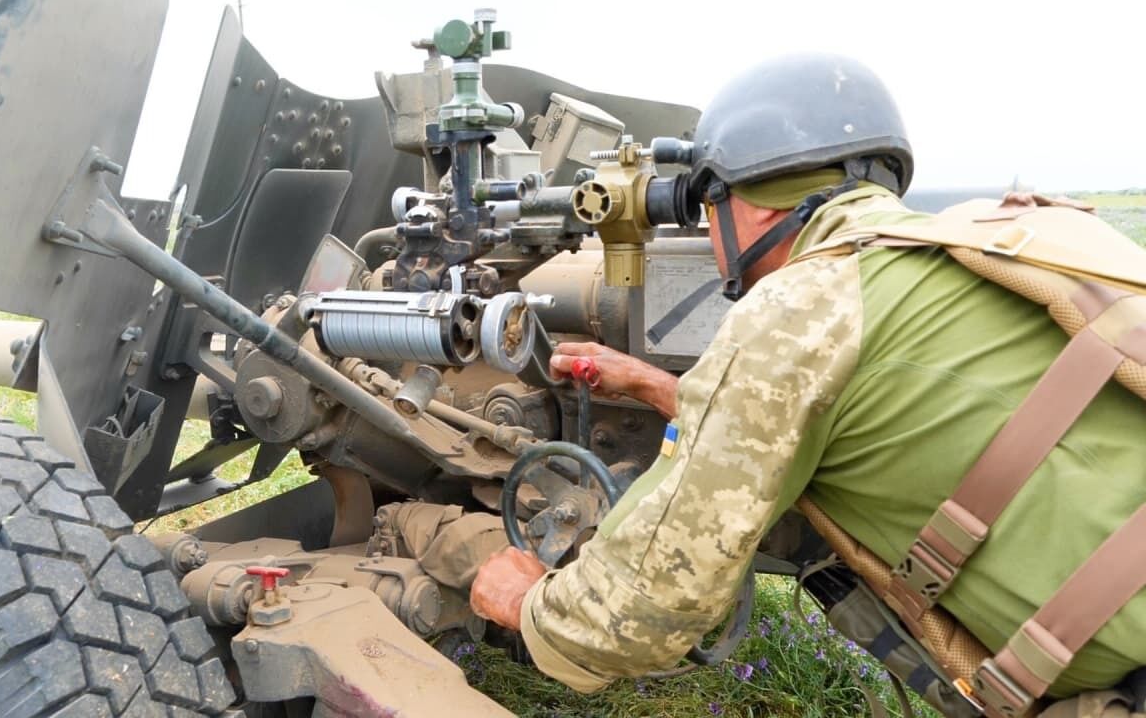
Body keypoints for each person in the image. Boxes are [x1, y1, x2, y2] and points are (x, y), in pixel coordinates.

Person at [469, 53, 1146, 716]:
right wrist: (655, 385)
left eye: (707, 204)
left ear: (740, 201)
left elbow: (653, 595)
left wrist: (530, 606)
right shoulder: (980, 243)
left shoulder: (801, 304)